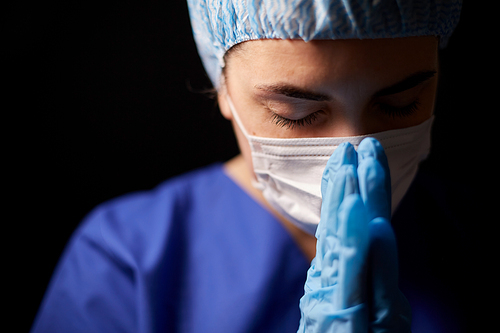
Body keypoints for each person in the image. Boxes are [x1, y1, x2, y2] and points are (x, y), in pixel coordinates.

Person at [30, 0, 473, 332]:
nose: (355, 150)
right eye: (294, 114)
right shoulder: (124, 263)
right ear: (221, 86)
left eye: (400, 105)